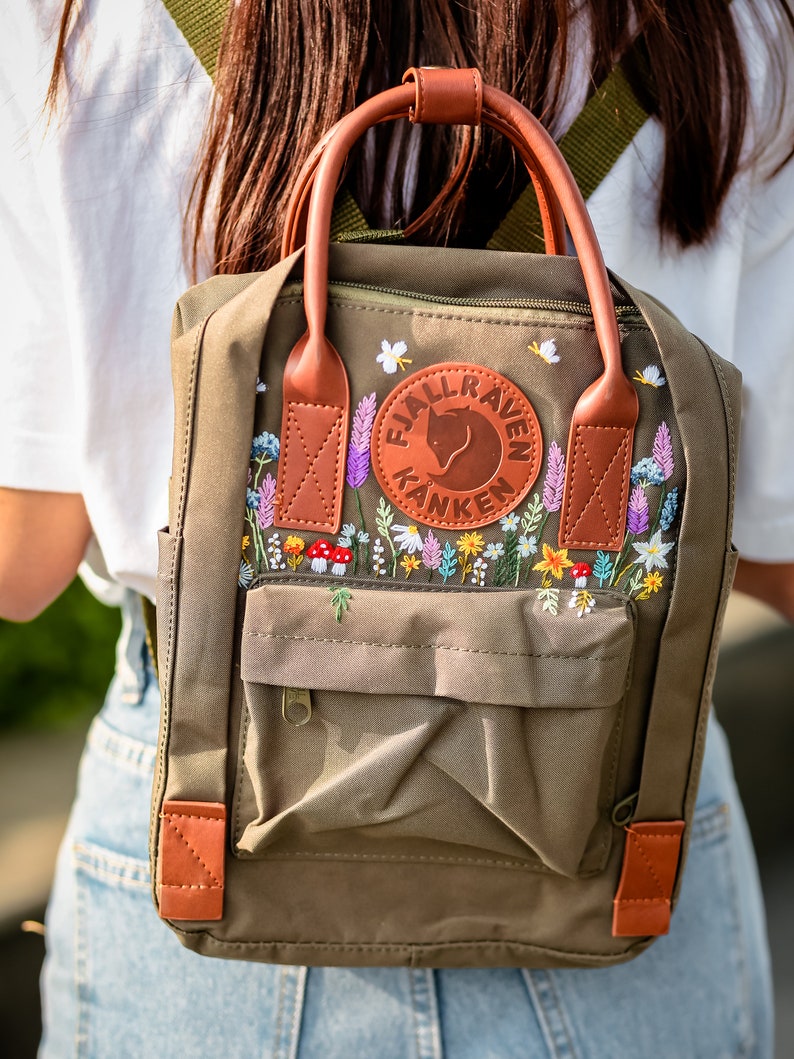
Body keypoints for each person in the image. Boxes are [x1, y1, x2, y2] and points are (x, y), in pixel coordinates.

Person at [1, 0, 793, 1054]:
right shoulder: (731, 32)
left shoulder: (73, 24)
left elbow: (22, 566)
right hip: (609, 847)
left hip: (215, 836)